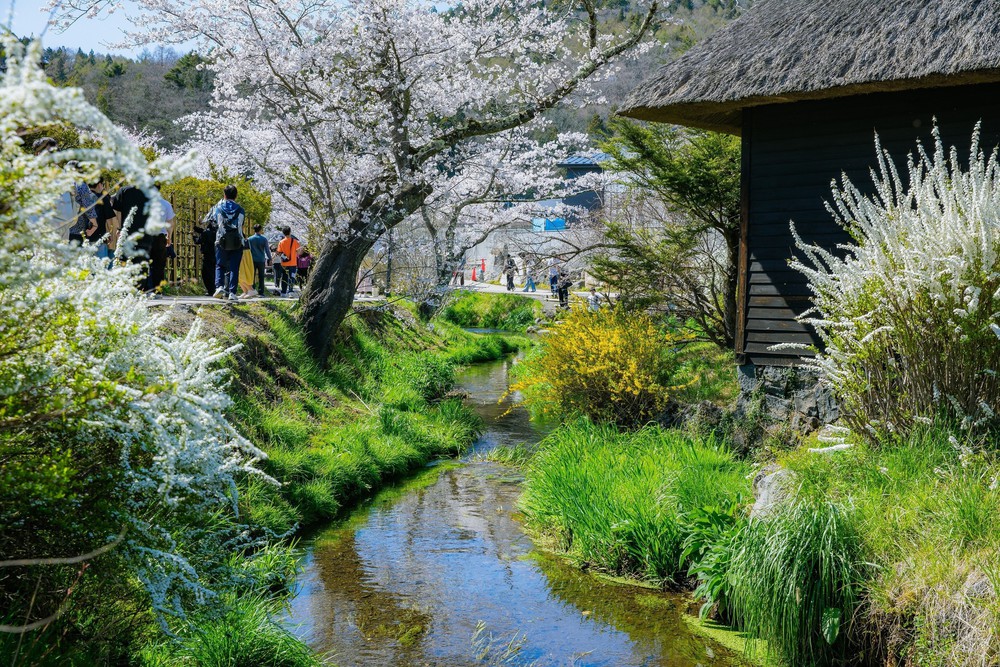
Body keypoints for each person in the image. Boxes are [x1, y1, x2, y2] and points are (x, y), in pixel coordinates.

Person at [110, 183, 151, 290]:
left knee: (124, 261)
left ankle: (126, 289)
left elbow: (118, 211)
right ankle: (139, 289)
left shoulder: (124, 190)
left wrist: (119, 228)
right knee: (142, 262)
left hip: (127, 232)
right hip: (145, 233)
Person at [213, 185, 246, 301]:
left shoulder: (218, 208)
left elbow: (215, 222)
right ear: (236, 195)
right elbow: (241, 224)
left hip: (221, 240)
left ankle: (219, 287)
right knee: (234, 267)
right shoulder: (240, 210)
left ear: (224, 195)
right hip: (237, 241)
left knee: (220, 265)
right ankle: (232, 292)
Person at [146, 189, 175, 292]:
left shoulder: (144, 202)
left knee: (143, 262)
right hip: (159, 236)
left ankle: (144, 288)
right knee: (158, 264)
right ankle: (157, 289)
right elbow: (170, 223)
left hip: (145, 235)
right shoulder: (166, 204)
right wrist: (169, 236)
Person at [193, 207, 219, 295]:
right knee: (215, 272)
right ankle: (216, 289)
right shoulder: (217, 233)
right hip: (217, 255)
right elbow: (204, 232)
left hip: (207, 255)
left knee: (206, 273)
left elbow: (198, 241)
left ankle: (211, 290)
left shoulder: (206, 233)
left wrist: (194, 236)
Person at [273, 226, 300, 296]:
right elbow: (298, 251)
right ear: (290, 232)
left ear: (283, 233)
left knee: (284, 277)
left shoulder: (281, 242)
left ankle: (283, 292)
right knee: (292, 277)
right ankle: (290, 291)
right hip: (293, 263)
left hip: (284, 263)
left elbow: (279, 252)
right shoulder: (295, 242)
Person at [247, 224, 272, 296]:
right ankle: (261, 292)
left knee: (252, 276)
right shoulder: (264, 239)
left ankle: (252, 290)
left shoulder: (249, 239)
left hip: (252, 259)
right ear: (260, 230)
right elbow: (267, 250)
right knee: (261, 276)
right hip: (261, 259)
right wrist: (270, 258)